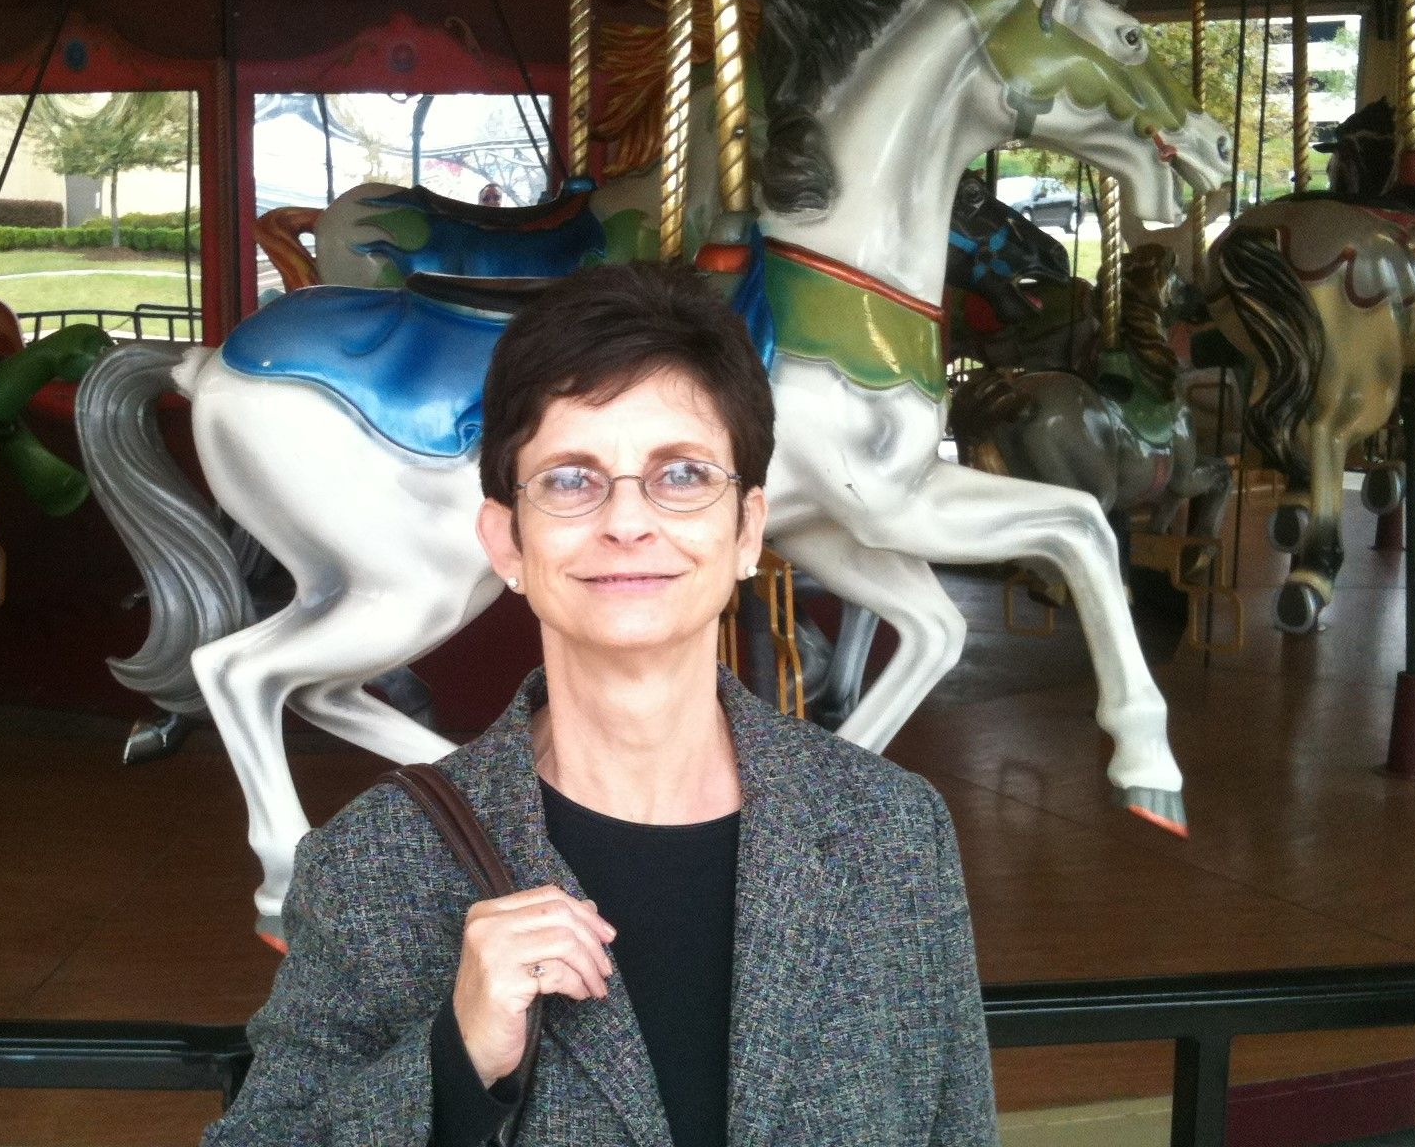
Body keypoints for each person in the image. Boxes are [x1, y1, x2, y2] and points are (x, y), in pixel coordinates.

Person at [201, 263, 998, 1147]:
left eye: (684, 475)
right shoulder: (375, 865)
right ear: (507, 539)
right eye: (572, 480)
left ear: (746, 530)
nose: (628, 522)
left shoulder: (891, 834)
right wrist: (454, 1062)